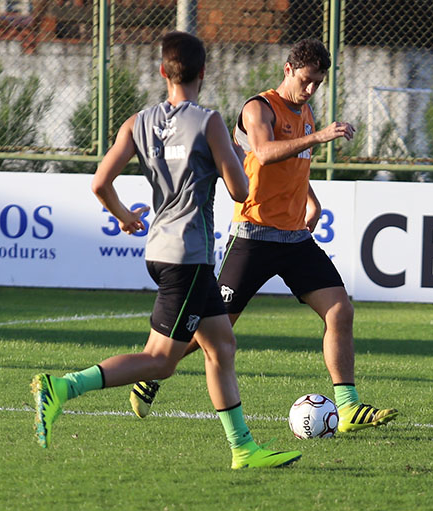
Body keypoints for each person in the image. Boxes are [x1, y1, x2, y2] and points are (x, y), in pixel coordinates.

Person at [31, 31, 301, 470]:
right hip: (189, 256)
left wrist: (122, 215)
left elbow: (100, 183)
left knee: (221, 346)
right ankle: (62, 387)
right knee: (160, 362)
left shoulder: (137, 122)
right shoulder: (209, 121)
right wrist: (229, 154)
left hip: (160, 248)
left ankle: (244, 449)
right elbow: (240, 189)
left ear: (163, 71)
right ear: (203, 72)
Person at [130, 38, 398, 434]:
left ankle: (347, 407)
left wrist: (312, 199)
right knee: (209, 329)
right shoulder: (259, 107)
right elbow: (265, 152)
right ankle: (151, 372)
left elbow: (291, 166)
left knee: (340, 310)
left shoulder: (304, 112)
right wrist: (320, 136)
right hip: (253, 235)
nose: (311, 90)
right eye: (306, 80)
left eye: (318, 84)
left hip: (294, 238)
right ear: (289, 69)